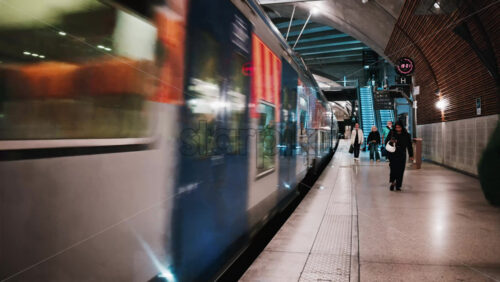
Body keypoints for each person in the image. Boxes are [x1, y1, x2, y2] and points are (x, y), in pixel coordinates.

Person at [384, 121, 413, 191]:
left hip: (402, 154)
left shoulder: (406, 135)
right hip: (393, 154)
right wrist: (391, 141)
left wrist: (411, 155)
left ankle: (398, 185)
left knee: (400, 170)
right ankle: (393, 182)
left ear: (402, 127)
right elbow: (386, 142)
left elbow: (409, 146)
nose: (398, 129)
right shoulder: (392, 133)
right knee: (393, 169)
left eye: (399, 127)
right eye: (396, 127)